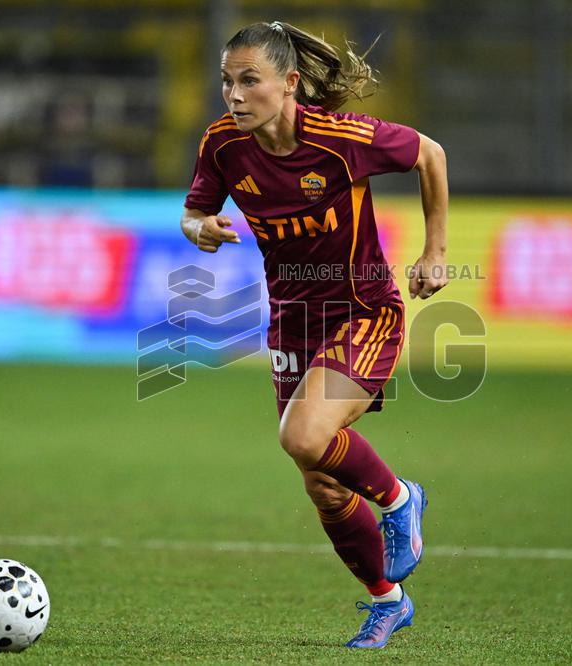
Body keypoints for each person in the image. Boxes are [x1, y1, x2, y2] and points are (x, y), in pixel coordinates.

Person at [180, 20, 448, 649]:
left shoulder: (339, 139)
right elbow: (193, 213)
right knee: (322, 483)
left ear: (290, 83)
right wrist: (202, 229)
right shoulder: (223, 145)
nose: (234, 95)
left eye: (250, 80)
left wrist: (435, 251)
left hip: (362, 312)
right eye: (227, 81)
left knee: (302, 435)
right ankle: (389, 601)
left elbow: (430, 154)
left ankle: (400, 498)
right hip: (292, 324)